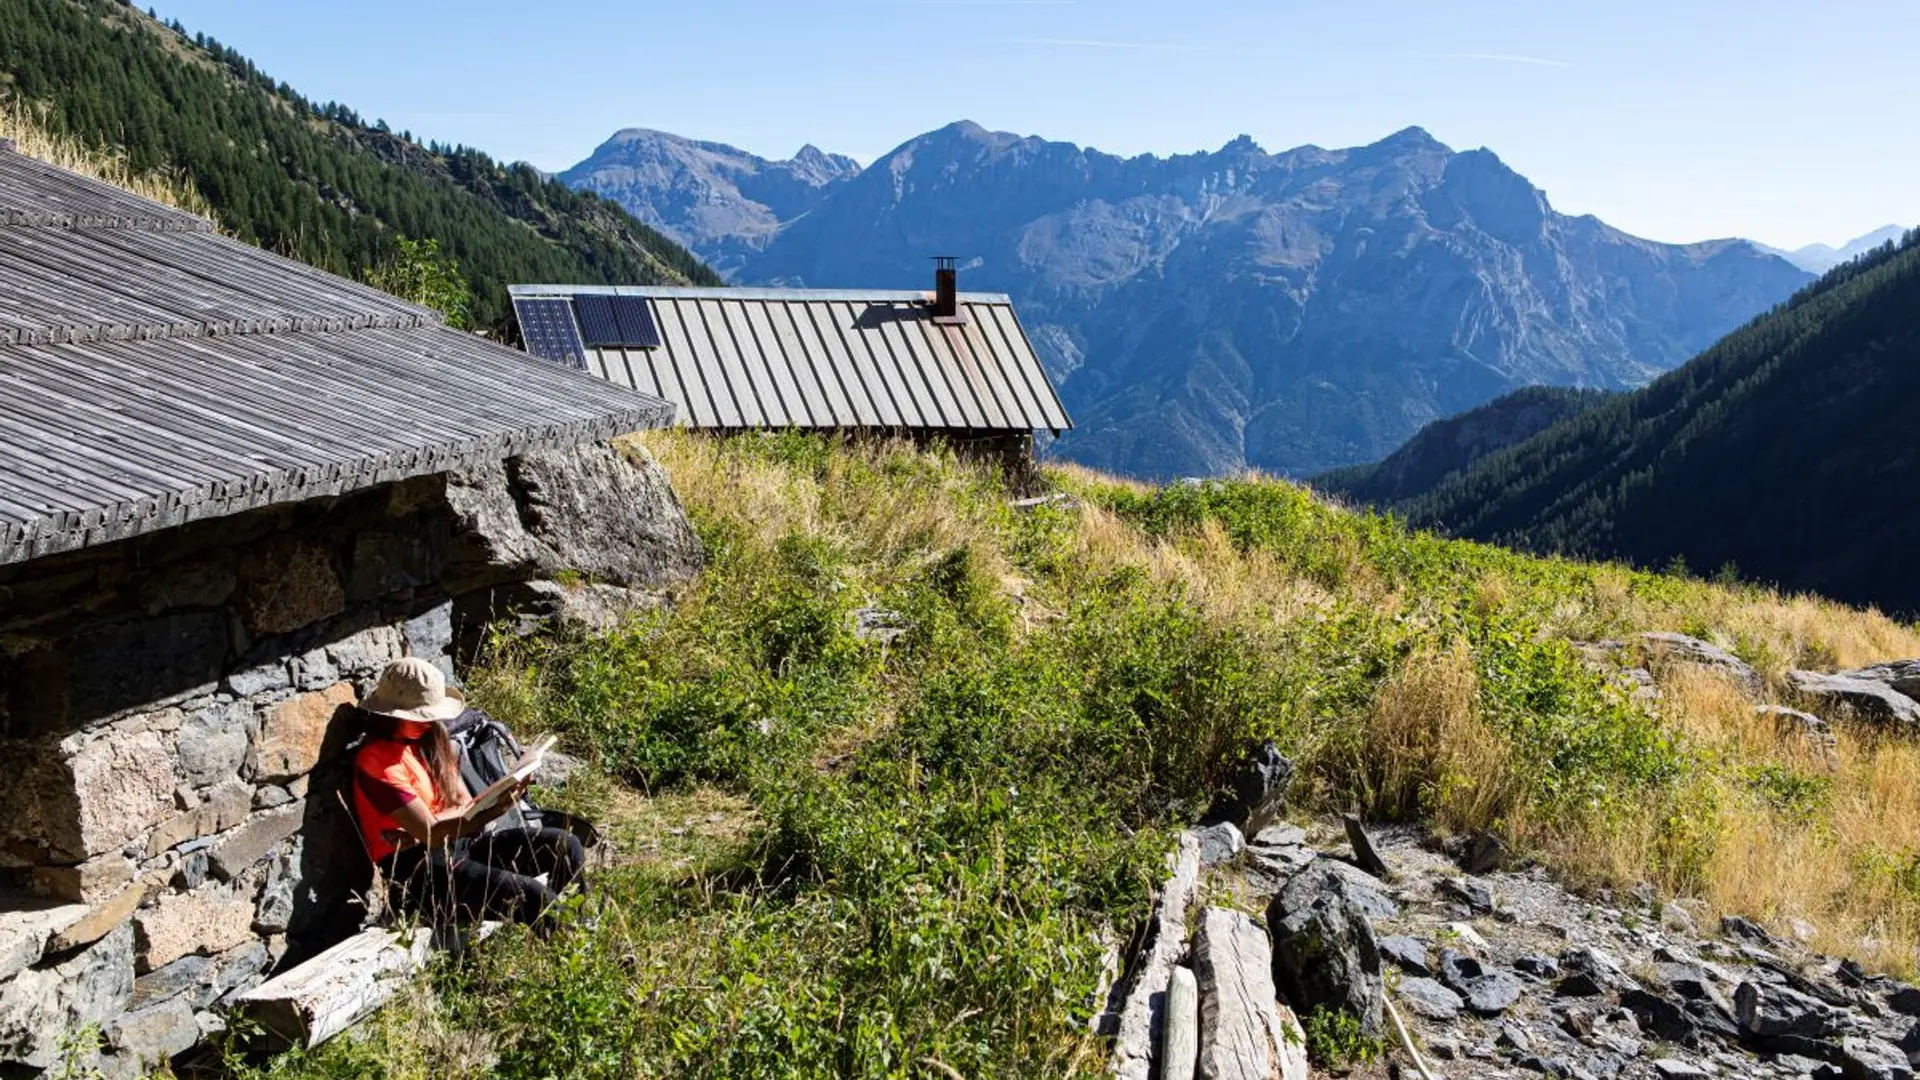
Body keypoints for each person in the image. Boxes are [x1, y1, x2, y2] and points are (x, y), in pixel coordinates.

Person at [352, 657, 584, 927]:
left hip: (465, 843)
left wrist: (426, 831)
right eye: (419, 716)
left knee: (565, 846)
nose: (428, 722)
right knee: (533, 897)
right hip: (424, 875)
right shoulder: (377, 761)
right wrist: (489, 809)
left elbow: (459, 804)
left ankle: (577, 940)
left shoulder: (430, 739)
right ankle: (568, 948)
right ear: (391, 715)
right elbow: (433, 834)